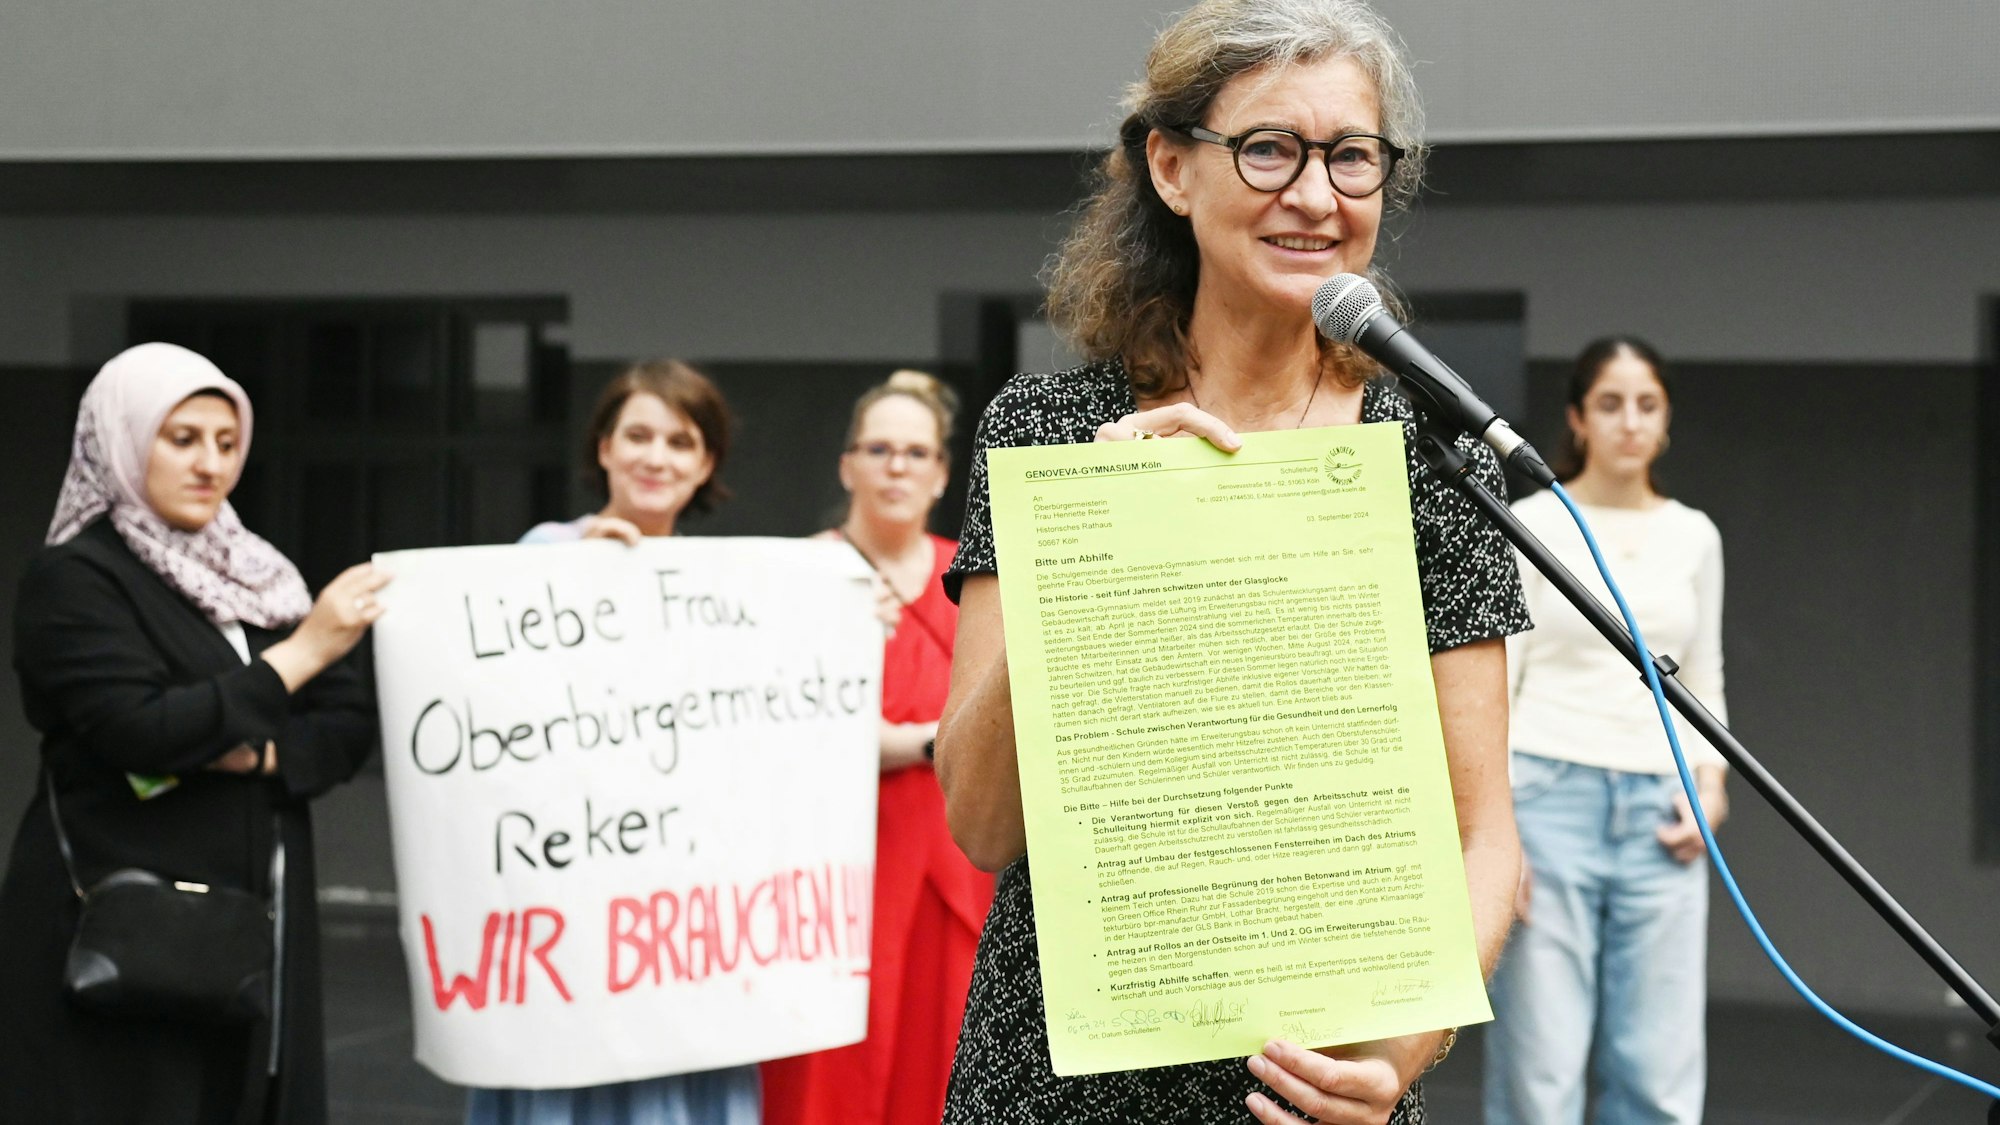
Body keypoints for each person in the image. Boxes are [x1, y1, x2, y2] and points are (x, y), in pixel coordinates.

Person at [933, 1, 1531, 1121]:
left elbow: (1481, 830)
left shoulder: (1432, 464)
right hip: (1062, 1078)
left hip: (1318, 1087)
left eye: (1351, 157)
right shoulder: (1048, 430)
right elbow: (978, 824)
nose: (1314, 196)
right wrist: (1096, 548)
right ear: (1169, 166)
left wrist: (1395, 1059)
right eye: (1267, 149)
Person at [0, 342, 386, 1123]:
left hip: (249, 930)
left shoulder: (255, 574)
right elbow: (138, 729)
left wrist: (254, 755)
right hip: (123, 934)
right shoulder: (76, 577)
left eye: (226, 441)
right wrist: (302, 652)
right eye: (182, 440)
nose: (210, 463)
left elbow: (344, 723)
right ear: (123, 440)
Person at [466, 358, 756, 1125]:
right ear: (602, 448)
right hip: (572, 897)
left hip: (688, 906)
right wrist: (579, 578)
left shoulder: (736, 588)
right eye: (638, 435)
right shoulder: (543, 555)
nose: (656, 456)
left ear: (706, 463)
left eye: (680, 440)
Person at [1482, 337, 1728, 1125]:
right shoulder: (1533, 520)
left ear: (1666, 423)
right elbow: (1499, 679)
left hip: (1663, 807)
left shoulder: (1695, 533)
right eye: (1611, 404)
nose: (1630, 421)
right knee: (1540, 1070)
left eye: (1647, 405)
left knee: (1659, 1073)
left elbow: (1704, 674)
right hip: (1546, 798)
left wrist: (1712, 782)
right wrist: (1500, 832)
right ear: (1577, 420)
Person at [761, 371, 995, 1125]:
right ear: (847, 464)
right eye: (881, 448)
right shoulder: (795, 576)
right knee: (830, 1086)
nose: (898, 466)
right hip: (833, 874)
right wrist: (931, 741)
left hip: (954, 870)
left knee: (944, 1069)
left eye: (916, 452)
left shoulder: (975, 574)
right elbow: (768, 730)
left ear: (940, 473)